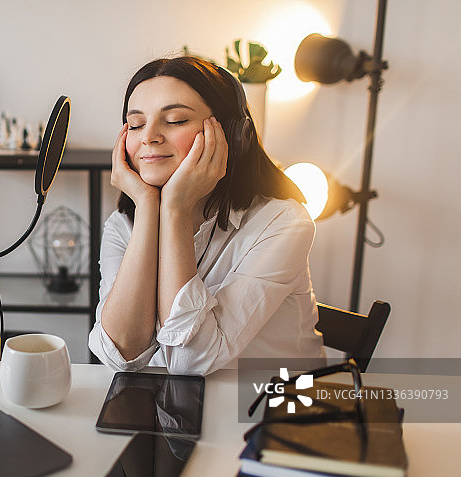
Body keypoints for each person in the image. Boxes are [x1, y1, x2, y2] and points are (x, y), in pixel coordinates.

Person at [88, 55, 324, 375]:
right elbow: (120, 354)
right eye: (136, 124)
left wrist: (175, 210)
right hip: (172, 402)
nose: (149, 136)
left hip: (270, 401)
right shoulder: (123, 226)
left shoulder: (283, 224)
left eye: (175, 120)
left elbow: (191, 362)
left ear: (232, 135)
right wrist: (146, 206)